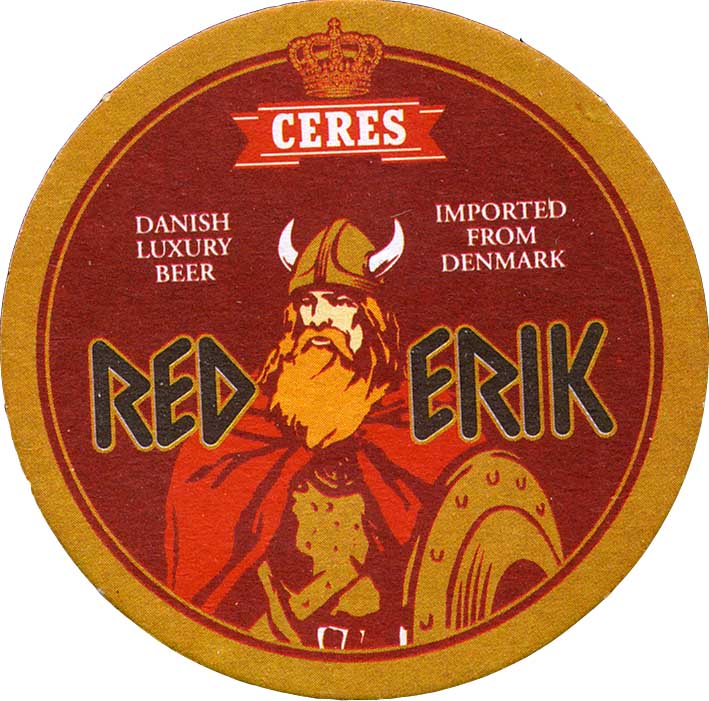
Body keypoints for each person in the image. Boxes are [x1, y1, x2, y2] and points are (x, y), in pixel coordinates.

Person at [164, 218, 560, 650]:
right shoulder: (245, 431)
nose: (318, 318)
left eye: (337, 302)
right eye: (307, 303)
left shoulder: (414, 418)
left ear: (368, 316)